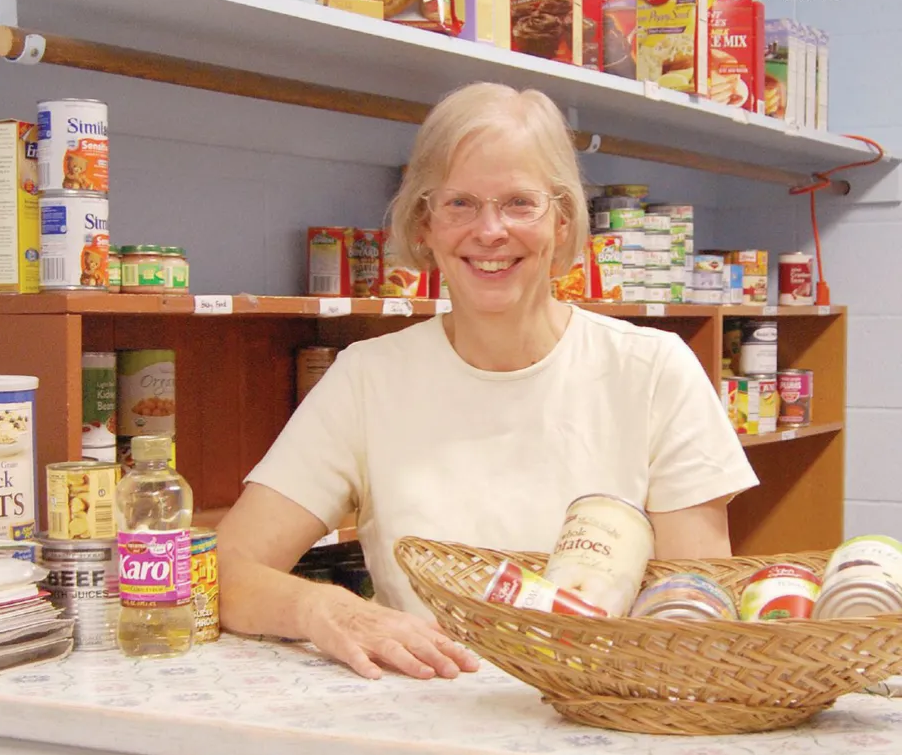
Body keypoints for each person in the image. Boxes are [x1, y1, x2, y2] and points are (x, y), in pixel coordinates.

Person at [216, 82, 758, 680]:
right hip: (428, 709)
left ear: (563, 221)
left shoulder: (654, 372)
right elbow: (227, 569)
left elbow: (698, 609)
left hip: (604, 707)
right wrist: (328, 609)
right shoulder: (368, 380)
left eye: (520, 203)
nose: (490, 231)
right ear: (424, 224)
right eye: (461, 204)